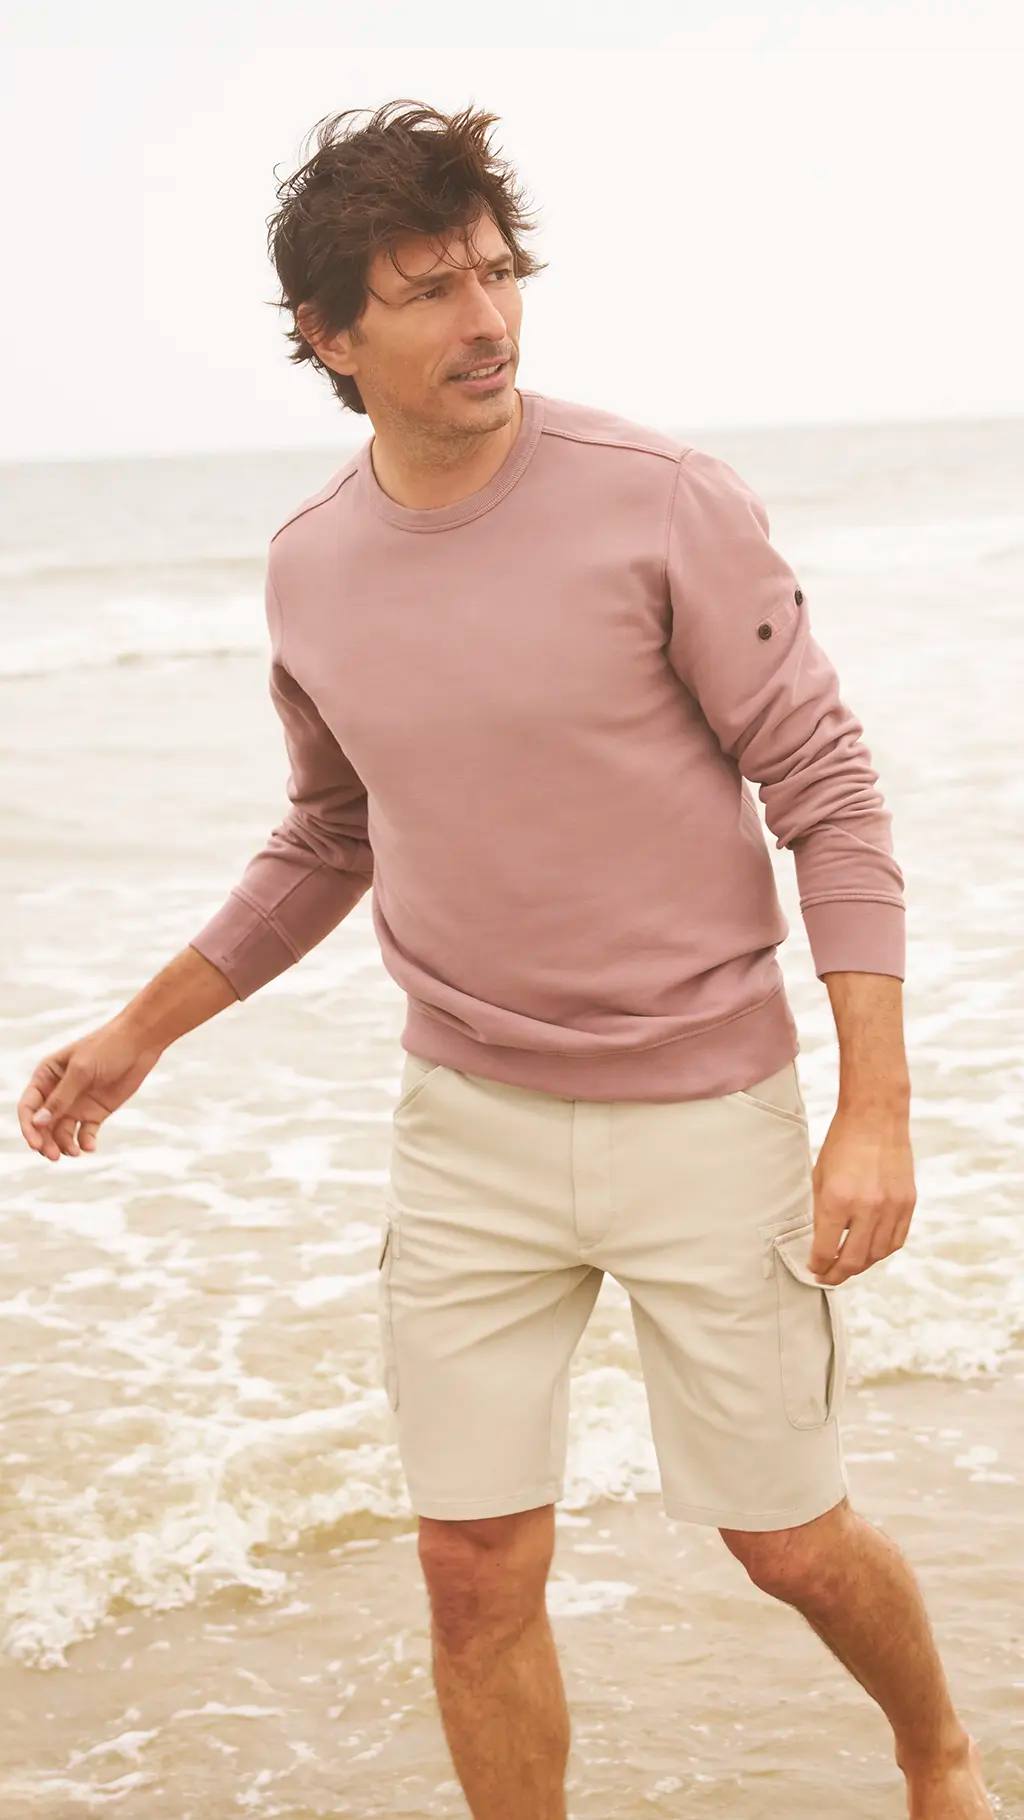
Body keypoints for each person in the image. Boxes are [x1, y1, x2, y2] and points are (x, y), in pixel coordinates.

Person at [16, 99, 992, 1819]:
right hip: (467, 1127)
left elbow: (829, 795)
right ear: (329, 335)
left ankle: (940, 1753)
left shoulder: (664, 502)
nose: (487, 319)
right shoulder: (312, 566)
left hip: (708, 1116)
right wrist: (141, 1032)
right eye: (429, 290)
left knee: (786, 1542)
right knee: (469, 1565)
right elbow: (330, 833)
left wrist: (875, 1109)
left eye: (494, 272)